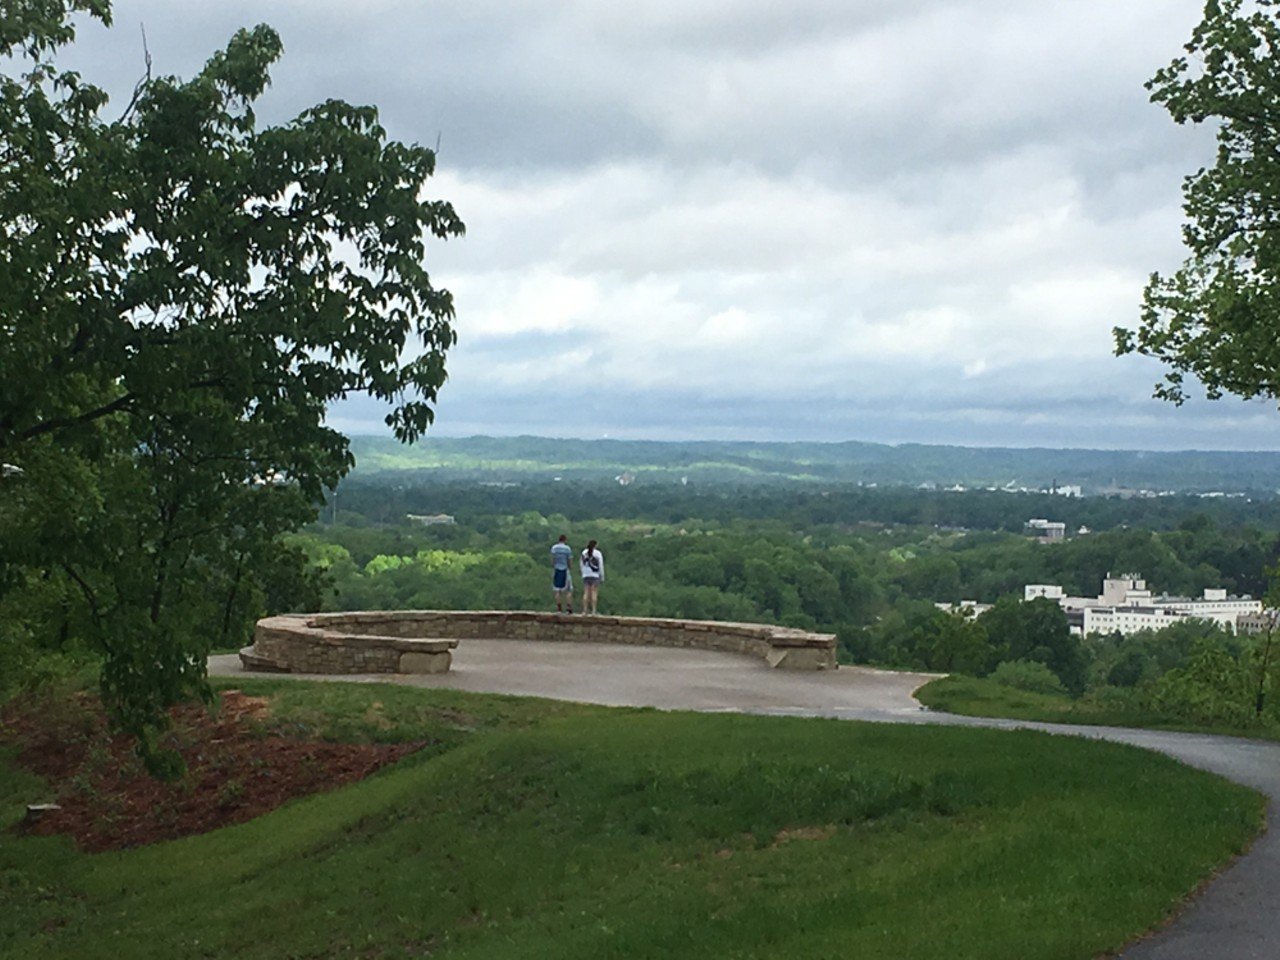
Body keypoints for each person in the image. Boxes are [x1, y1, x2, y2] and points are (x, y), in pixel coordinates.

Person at [579, 539, 604, 615]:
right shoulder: (597, 553)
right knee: (594, 592)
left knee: (586, 592)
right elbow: (600, 565)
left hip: (586, 574)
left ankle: (585, 610)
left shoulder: (584, 553)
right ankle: (593, 611)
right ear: (595, 545)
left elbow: (581, 564)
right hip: (595, 575)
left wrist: (583, 573)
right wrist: (602, 576)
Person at [550, 534, 574, 613]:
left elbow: (553, 560)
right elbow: (569, 560)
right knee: (569, 590)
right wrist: (570, 567)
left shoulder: (554, 548)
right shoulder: (567, 549)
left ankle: (559, 607)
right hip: (565, 570)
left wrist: (554, 566)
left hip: (557, 569)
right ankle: (568, 607)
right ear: (565, 540)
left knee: (557, 590)